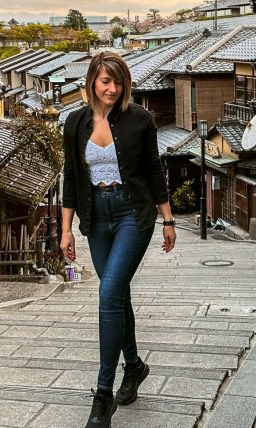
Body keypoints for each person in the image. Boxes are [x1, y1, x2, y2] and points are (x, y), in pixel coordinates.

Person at [61, 51, 177, 428]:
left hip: (132, 214)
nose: (112, 89)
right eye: (105, 81)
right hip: (95, 217)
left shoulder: (140, 119)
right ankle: (135, 366)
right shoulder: (74, 122)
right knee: (118, 294)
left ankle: (103, 394)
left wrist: (168, 219)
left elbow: (153, 170)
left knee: (109, 293)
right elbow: (71, 179)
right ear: (92, 81)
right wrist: (65, 229)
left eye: (118, 82)